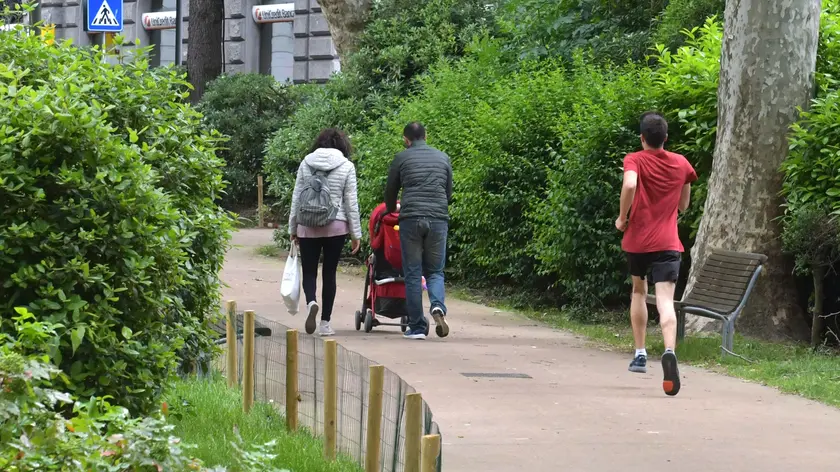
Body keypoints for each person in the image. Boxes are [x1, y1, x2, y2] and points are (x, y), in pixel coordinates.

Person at [615, 111, 697, 397]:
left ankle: (640, 353)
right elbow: (684, 205)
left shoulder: (634, 159)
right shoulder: (682, 164)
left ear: (642, 137)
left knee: (639, 292)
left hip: (638, 241)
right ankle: (670, 350)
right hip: (668, 243)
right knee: (665, 301)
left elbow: (629, 184)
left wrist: (622, 217)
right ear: (665, 138)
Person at [289, 128, 362, 337]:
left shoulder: (306, 162)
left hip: (307, 224)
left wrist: (292, 228)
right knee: (329, 273)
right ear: (342, 145)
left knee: (309, 270)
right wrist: (356, 234)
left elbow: (297, 196)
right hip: (336, 225)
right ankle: (325, 324)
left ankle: (312, 301)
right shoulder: (347, 166)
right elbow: (351, 202)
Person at [385, 122, 453, 340]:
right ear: (426, 135)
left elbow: (391, 190)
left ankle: (416, 327)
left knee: (413, 273)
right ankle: (438, 308)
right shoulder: (443, 157)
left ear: (406, 140)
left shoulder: (401, 158)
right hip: (438, 219)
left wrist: (389, 209)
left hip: (411, 219)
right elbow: (448, 192)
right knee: (435, 271)